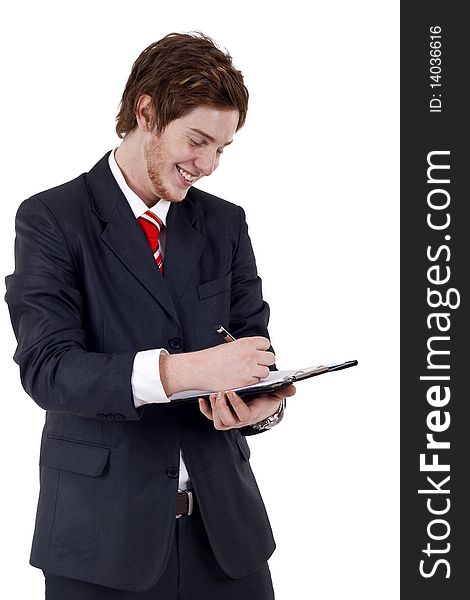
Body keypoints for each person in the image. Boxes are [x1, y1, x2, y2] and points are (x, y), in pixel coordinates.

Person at [5, 32, 295, 599]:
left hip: (226, 542)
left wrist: (257, 407)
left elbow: (252, 347)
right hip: (99, 544)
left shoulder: (225, 225)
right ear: (146, 110)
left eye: (222, 148)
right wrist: (185, 373)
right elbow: (48, 370)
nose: (208, 164)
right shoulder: (50, 218)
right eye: (198, 140)